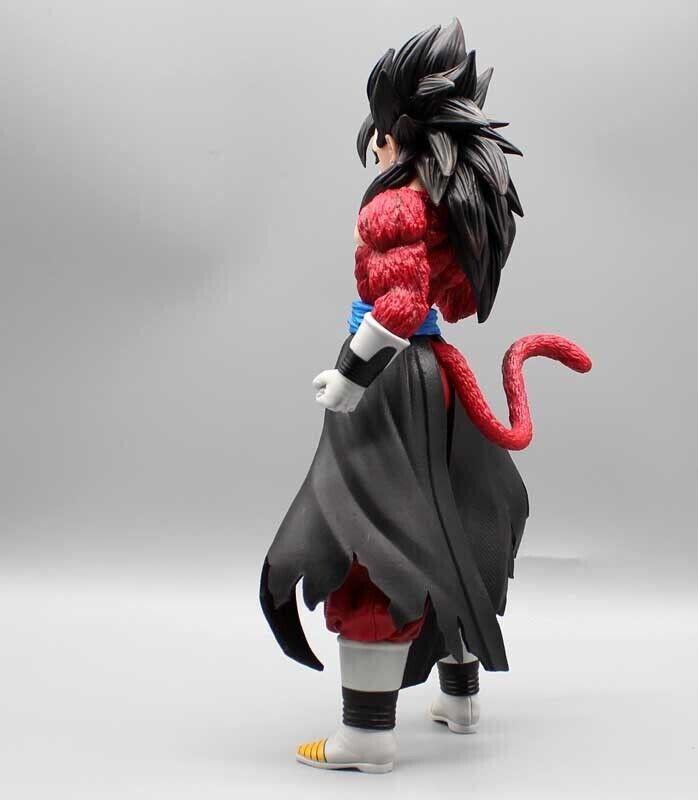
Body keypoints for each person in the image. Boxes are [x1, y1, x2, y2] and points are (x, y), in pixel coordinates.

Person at [259, 19, 591, 773]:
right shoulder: (446, 201)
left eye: (378, 134)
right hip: (434, 373)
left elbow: (403, 306)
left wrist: (351, 373)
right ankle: (460, 698)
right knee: (449, 525)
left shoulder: (397, 204)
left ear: (397, 134)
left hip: (390, 380)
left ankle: (367, 735)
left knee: (369, 542)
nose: (372, 146)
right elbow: (439, 303)